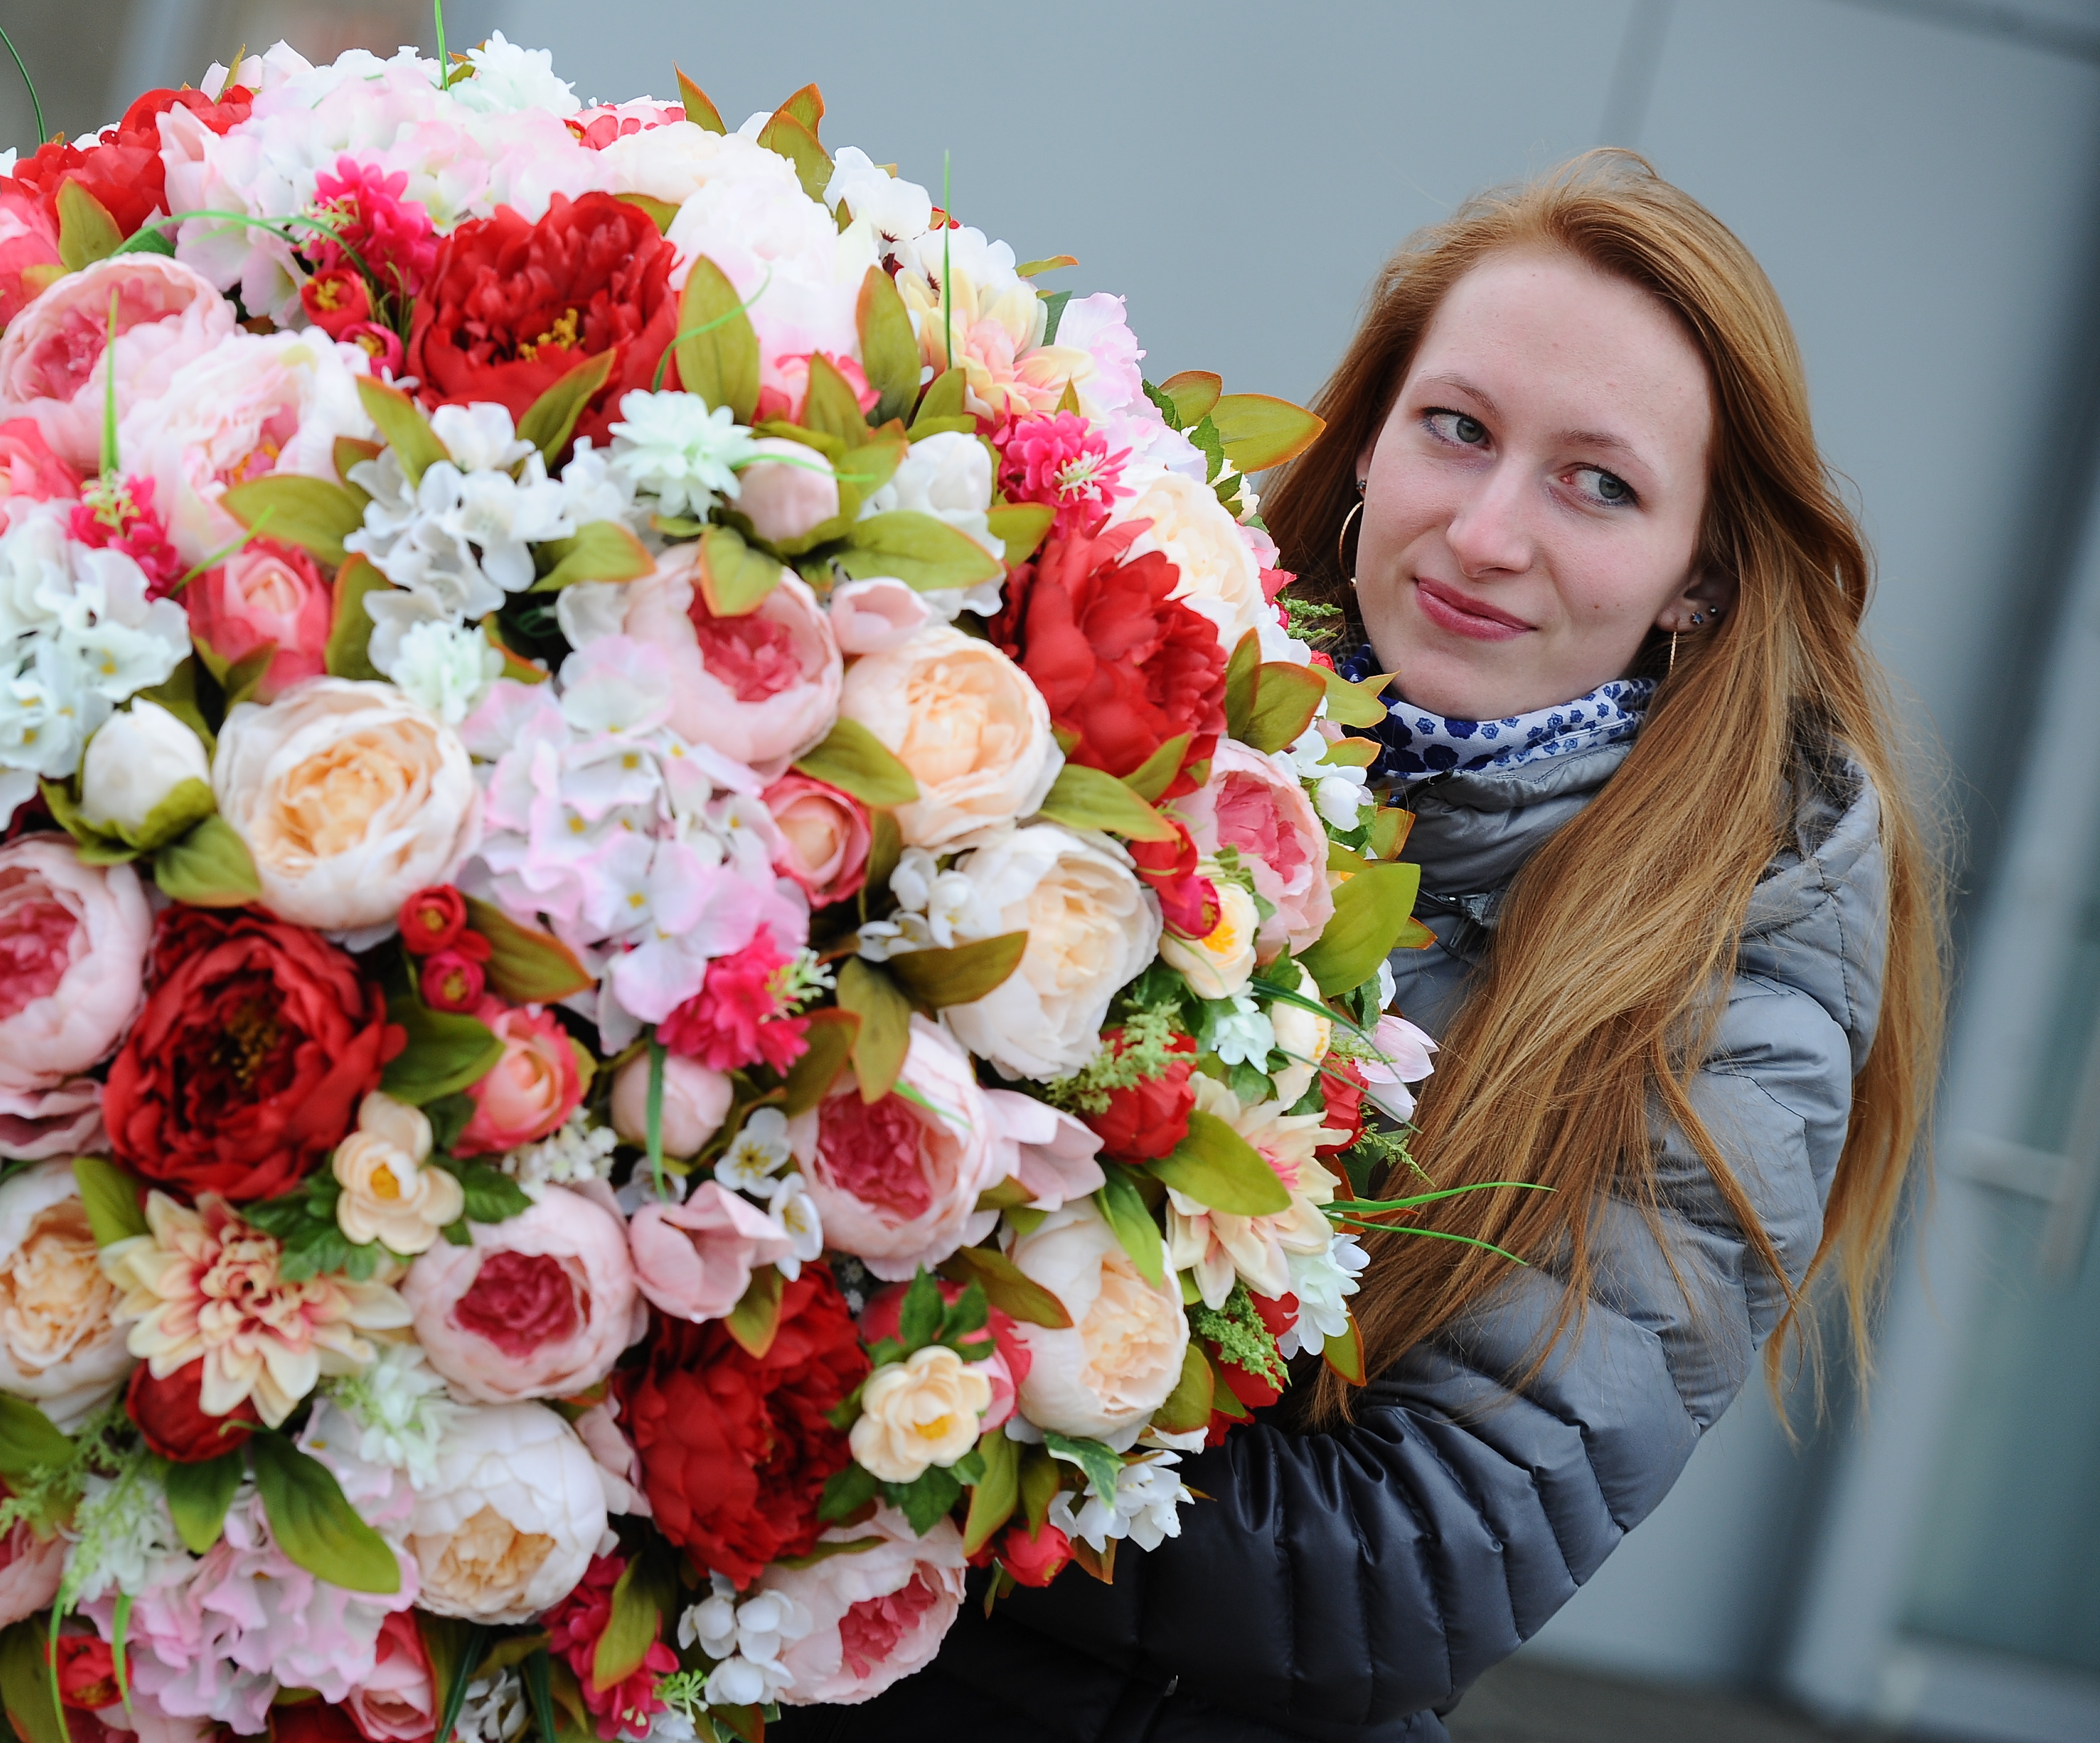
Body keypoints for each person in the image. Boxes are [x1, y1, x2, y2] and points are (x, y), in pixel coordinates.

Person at [777, 150, 1943, 1742]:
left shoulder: (1737, 973)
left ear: (1705, 575)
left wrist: (851, 1386)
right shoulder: (1132, 697)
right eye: (1456, 429)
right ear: (1372, 433)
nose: (1485, 532)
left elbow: (1400, 1573)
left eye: (1598, 484)